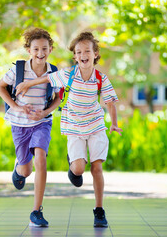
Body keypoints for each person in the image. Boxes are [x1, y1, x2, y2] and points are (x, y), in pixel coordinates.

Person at [16, 32, 123, 228]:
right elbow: (48, 80)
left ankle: (99, 210)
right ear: (75, 56)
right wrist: (28, 83)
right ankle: (73, 166)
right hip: (74, 126)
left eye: (87, 51)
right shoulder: (69, 74)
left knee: (97, 167)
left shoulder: (101, 78)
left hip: (96, 125)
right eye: (79, 52)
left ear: (95, 53)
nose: (83, 55)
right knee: (79, 168)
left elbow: (110, 102)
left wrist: (114, 123)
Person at [0, 28, 60, 227]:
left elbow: (59, 98)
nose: (41, 53)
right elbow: (0, 87)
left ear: (50, 49)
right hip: (19, 124)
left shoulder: (54, 72)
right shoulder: (19, 70)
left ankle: (36, 211)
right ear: (29, 50)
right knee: (26, 171)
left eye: (45, 48)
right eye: (36, 49)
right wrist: (16, 107)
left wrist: (46, 111)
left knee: (40, 158)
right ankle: (19, 168)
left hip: (42, 122)